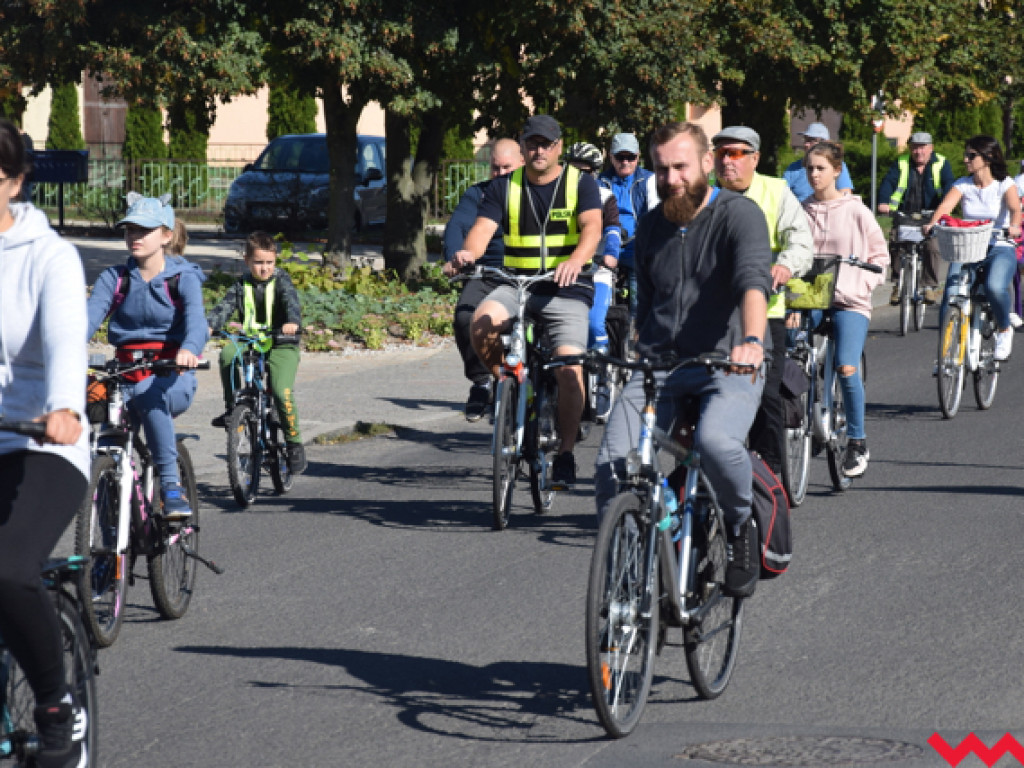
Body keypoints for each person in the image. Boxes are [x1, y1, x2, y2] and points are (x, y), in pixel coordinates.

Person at [595, 121, 772, 598]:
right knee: (612, 464)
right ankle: (630, 579)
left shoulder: (739, 214)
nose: (671, 178)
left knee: (715, 442)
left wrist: (751, 340)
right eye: (661, 168)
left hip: (727, 362)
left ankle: (739, 530)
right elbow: (647, 302)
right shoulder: (651, 226)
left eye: (680, 167)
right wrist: (631, 348)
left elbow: (753, 282)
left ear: (706, 164)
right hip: (661, 367)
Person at [0, 117, 90, 768]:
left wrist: (63, 405)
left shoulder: (50, 256)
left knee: (6, 567)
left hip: (42, 441)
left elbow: (64, 344)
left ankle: (58, 707)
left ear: (16, 181)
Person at [454, 114, 603, 489]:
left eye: (546, 144)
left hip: (567, 287)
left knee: (570, 368)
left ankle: (566, 453)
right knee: (480, 321)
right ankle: (505, 381)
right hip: (518, 284)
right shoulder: (504, 187)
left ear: (559, 147)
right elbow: (481, 231)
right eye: (532, 143)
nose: (539, 150)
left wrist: (576, 260)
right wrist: (467, 255)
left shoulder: (580, 183)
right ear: (523, 147)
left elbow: (592, 228)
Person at [87, 192, 208, 518]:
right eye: (129, 230)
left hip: (171, 376)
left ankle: (171, 487)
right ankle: (106, 538)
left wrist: (188, 350)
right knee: (97, 437)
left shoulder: (183, 278)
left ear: (166, 235)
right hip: (124, 374)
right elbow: (86, 322)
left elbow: (199, 324)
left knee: (147, 394)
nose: (134, 237)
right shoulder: (114, 279)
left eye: (144, 230)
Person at [711, 126, 813, 476]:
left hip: (766, 314)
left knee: (766, 399)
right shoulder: (704, 195)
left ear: (755, 158)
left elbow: (801, 241)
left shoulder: (776, 191)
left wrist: (785, 265)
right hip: (713, 316)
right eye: (722, 153)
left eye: (737, 153)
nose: (728, 161)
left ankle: (771, 482)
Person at [802, 141, 889, 477]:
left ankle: (857, 441)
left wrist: (861, 284)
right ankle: (796, 422)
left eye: (821, 168)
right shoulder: (801, 209)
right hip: (809, 298)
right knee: (789, 353)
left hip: (848, 299)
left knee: (847, 367)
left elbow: (880, 258)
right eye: (809, 168)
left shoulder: (856, 211)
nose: (814, 174)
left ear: (836, 171)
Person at [207, 231, 307, 473]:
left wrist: (292, 322)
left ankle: (294, 443)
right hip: (250, 340)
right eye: (258, 263)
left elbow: (291, 301)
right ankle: (233, 409)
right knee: (227, 355)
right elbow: (224, 307)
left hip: (281, 342)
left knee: (282, 392)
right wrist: (210, 326)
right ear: (247, 261)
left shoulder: (281, 281)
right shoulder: (241, 285)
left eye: (269, 263)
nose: (264, 269)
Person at [442, 139, 524, 421]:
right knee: (465, 316)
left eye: (507, 168)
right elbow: (457, 227)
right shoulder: (477, 195)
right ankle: (482, 382)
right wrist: (456, 258)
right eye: (495, 168)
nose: (500, 174)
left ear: (522, 164)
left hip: (528, 274)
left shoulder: (533, 194)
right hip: (488, 273)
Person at [924, 135, 1022, 361]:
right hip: (969, 247)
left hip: (999, 245)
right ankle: (946, 352)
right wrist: (932, 223)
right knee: (950, 295)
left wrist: (1014, 226)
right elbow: (946, 206)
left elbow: (1015, 209)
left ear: (987, 158)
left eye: (971, 155)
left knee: (995, 287)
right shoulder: (963, 184)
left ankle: (1004, 329)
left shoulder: (1005, 184)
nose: (965, 159)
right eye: (966, 154)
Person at [564, 141, 622, 421]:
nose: (579, 175)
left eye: (585, 171)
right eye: (574, 169)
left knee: (594, 322)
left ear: (596, 172)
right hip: (563, 271)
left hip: (596, 270)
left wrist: (610, 255)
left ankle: (601, 379)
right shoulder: (557, 192)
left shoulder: (604, 195)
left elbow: (612, 229)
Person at [877, 131, 954, 304]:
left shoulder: (941, 163)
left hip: (931, 215)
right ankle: (897, 283)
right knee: (896, 242)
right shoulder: (902, 162)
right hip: (905, 213)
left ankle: (929, 286)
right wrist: (883, 202)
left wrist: (944, 207)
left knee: (933, 247)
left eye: (922, 147)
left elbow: (949, 184)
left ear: (931, 148)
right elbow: (888, 182)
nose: (918, 152)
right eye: (915, 148)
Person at [597, 132, 658, 313]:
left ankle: (637, 332)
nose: (625, 162)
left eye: (630, 157)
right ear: (611, 157)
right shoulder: (601, 181)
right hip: (606, 245)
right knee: (600, 299)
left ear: (638, 157)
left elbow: (655, 213)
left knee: (639, 296)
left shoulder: (649, 180)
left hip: (636, 246)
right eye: (620, 157)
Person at [783, 122, 854, 201]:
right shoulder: (793, 168)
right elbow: (781, 196)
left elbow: (845, 197)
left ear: (825, 143)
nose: (806, 144)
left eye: (811, 140)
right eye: (805, 140)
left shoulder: (834, 165)